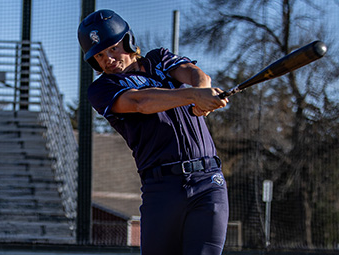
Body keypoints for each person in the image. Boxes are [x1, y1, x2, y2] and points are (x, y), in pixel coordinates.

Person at [78, 9, 230, 255]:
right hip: (161, 188)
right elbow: (141, 103)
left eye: (113, 48)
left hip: (208, 181)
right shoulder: (102, 89)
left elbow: (195, 74)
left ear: (128, 41)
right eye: (100, 55)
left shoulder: (158, 59)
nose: (108, 59)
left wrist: (202, 91)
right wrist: (193, 95)